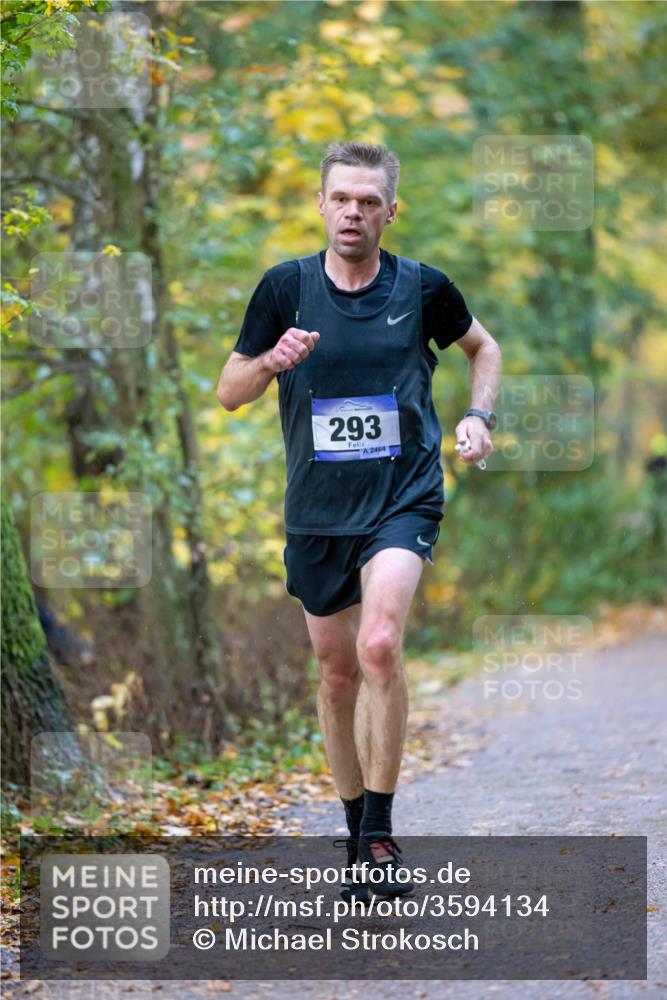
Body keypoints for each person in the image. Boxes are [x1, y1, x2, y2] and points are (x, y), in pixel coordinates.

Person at [217, 141, 501, 898]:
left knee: (378, 646)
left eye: (368, 201)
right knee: (337, 673)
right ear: (321, 204)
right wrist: (272, 360)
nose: (353, 211)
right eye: (341, 198)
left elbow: (484, 348)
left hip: (402, 498)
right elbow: (228, 392)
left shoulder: (422, 287)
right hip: (316, 512)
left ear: (389, 211)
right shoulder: (285, 289)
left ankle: (378, 835)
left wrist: (478, 417)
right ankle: (352, 830)